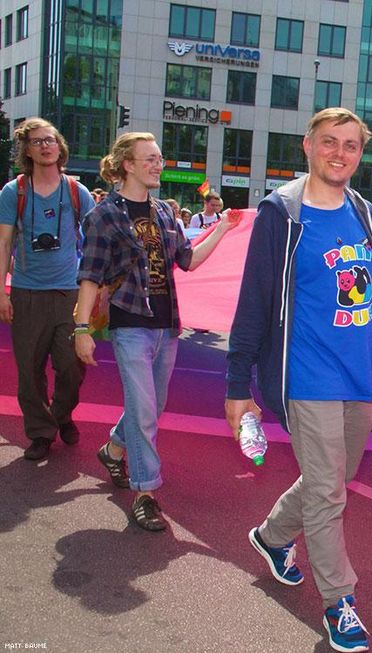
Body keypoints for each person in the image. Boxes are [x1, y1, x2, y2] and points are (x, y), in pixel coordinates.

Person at [224, 108, 372, 652]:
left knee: (329, 481)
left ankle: (272, 536)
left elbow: (361, 285)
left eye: (351, 145)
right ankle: (339, 602)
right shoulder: (281, 215)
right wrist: (238, 386)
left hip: (360, 377)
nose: (340, 153)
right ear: (307, 145)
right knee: (329, 493)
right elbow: (253, 305)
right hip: (306, 376)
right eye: (329, 142)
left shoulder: (359, 209)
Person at [74, 132, 239, 531]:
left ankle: (114, 448)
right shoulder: (104, 215)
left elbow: (189, 260)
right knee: (145, 411)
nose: (157, 164)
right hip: (131, 324)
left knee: (150, 406)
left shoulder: (165, 211)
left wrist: (222, 228)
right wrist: (81, 327)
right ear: (126, 164)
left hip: (167, 325)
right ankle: (145, 493)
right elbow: (90, 274)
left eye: (159, 158)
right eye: (149, 158)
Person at [0, 117, 96, 460]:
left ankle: (61, 415)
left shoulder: (76, 191)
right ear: (27, 149)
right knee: (29, 371)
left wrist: (97, 287)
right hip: (26, 293)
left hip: (70, 295)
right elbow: (4, 242)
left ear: (60, 146)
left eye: (50, 140)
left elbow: (96, 241)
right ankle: (40, 433)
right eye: (37, 141)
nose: (45, 145)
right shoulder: (14, 192)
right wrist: (2, 291)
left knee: (72, 365)